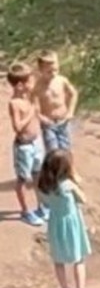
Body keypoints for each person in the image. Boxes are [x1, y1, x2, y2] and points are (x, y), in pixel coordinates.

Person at [38, 149, 93, 288]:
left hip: (55, 224)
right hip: (72, 225)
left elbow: (45, 203)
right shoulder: (68, 185)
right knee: (78, 259)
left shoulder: (44, 186)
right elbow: (84, 199)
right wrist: (76, 181)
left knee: (58, 260)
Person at [7, 61, 46, 226]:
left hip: (36, 143)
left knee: (37, 175)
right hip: (24, 146)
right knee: (23, 179)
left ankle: (41, 206)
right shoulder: (14, 104)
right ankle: (25, 211)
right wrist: (32, 112)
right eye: (30, 81)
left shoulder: (30, 98)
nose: (32, 84)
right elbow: (18, 127)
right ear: (20, 85)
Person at [34, 50, 78, 154]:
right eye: (49, 72)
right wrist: (40, 117)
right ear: (40, 70)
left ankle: (69, 169)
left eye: (56, 70)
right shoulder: (38, 86)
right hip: (48, 123)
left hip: (63, 120)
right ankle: (53, 169)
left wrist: (70, 111)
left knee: (66, 148)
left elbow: (73, 94)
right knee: (52, 150)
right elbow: (32, 104)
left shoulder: (62, 80)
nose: (53, 74)